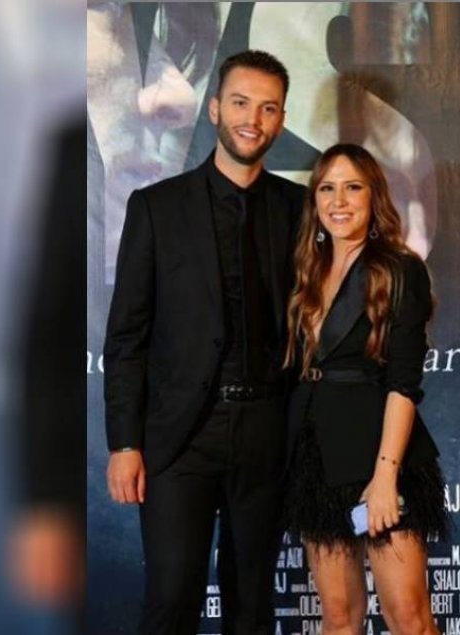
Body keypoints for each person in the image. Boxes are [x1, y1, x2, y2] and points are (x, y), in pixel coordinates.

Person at [103, 50, 305, 635]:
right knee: (171, 599)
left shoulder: (299, 210)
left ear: (281, 119)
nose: (253, 119)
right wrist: (124, 442)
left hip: (266, 433)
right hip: (180, 438)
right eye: (241, 102)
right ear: (215, 108)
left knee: (253, 608)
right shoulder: (156, 208)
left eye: (268, 108)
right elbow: (127, 337)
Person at [283, 144, 447, 634]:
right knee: (338, 616)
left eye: (352, 187)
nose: (339, 201)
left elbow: (403, 385)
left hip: (380, 455)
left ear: (374, 197)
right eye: (327, 188)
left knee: (409, 617)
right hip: (315, 455)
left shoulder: (398, 269)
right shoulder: (304, 271)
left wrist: (385, 478)